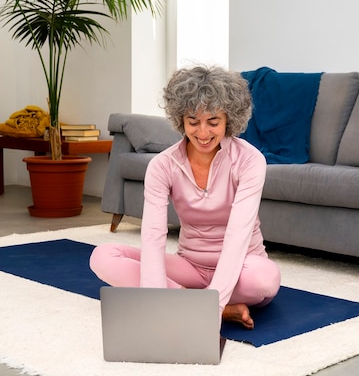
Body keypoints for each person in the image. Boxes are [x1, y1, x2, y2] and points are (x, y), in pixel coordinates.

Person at [90, 65, 281, 329]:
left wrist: (213, 308)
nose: (203, 133)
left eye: (213, 122)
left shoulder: (249, 161)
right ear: (181, 120)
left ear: (229, 120)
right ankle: (197, 301)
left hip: (243, 270)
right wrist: (155, 300)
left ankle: (201, 302)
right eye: (193, 122)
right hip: (190, 267)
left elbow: (238, 235)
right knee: (103, 256)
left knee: (265, 278)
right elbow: (154, 235)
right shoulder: (162, 165)